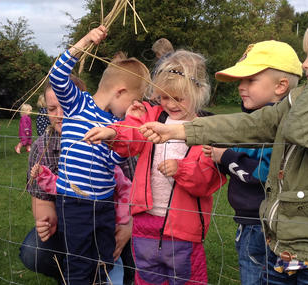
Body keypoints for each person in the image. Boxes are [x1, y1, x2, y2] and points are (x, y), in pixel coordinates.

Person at [138, 7, 308, 285]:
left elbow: (305, 130)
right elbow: (249, 124)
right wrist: (178, 129)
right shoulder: (300, 101)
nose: (305, 64)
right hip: (280, 247)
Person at [84, 50, 227, 284]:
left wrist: (181, 169)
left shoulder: (206, 130)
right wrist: (112, 132)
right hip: (144, 222)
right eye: (163, 97)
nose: (169, 104)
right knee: (147, 276)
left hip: (184, 229)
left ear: (199, 91)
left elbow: (206, 181)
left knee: (187, 277)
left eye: (178, 98)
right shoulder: (153, 116)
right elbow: (132, 132)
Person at [50, 25, 149, 284]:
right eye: (133, 101)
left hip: (104, 203)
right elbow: (57, 76)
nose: (132, 107)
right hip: (75, 202)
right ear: (120, 92)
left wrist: (127, 126)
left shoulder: (115, 125)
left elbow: (113, 160)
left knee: (104, 258)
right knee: (79, 263)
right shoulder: (77, 104)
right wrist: (85, 41)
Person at [202, 40, 302, 285]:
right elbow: (239, 160)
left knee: (257, 275)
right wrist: (220, 156)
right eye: (240, 81)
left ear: (281, 86)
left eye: (250, 80)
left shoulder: (278, 128)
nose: (241, 87)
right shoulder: (248, 122)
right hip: (250, 222)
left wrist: (224, 157)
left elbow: (262, 174)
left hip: (263, 225)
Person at [19, 77, 135, 285]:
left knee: (127, 251)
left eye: (65, 107)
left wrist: (129, 226)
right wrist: (46, 221)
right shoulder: (42, 146)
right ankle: (72, 273)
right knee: (34, 251)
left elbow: (134, 190)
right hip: (70, 220)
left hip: (112, 218)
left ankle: (114, 272)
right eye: (52, 108)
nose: (60, 115)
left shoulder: (111, 133)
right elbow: (42, 204)